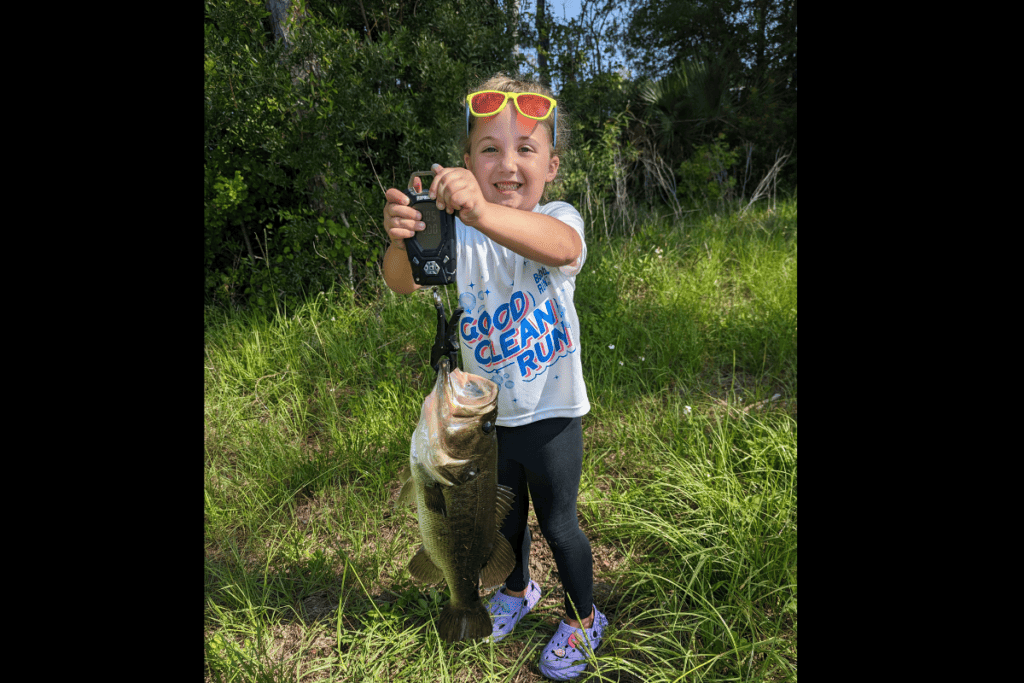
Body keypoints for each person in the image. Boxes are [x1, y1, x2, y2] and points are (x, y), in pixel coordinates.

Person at [382, 74, 607, 679]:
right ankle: (515, 590)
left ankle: (585, 619)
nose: (507, 164)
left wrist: (479, 211)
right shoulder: (456, 233)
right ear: (465, 163)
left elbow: (561, 249)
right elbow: (403, 282)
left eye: (525, 149)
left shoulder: (559, 216)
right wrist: (404, 238)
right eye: (489, 149)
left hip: (554, 413)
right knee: (498, 518)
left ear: (552, 165)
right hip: (487, 422)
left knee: (559, 523)